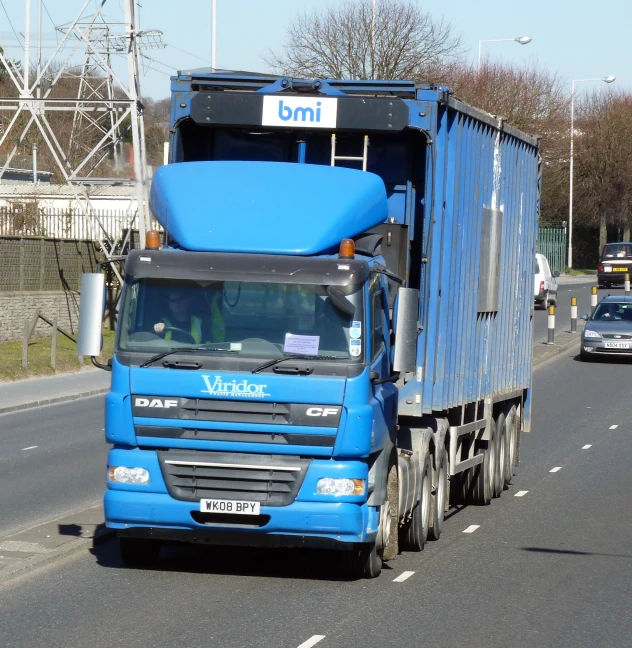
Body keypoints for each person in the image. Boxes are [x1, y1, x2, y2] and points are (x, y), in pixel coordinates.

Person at [153, 288, 225, 344]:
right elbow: (153, 343)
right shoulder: (162, 322)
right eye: (173, 300)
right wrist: (159, 330)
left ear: (187, 302)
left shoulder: (201, 322)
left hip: (194, 357)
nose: (177, 303)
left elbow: (207, 343)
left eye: (181, 299)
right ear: (169, 305)